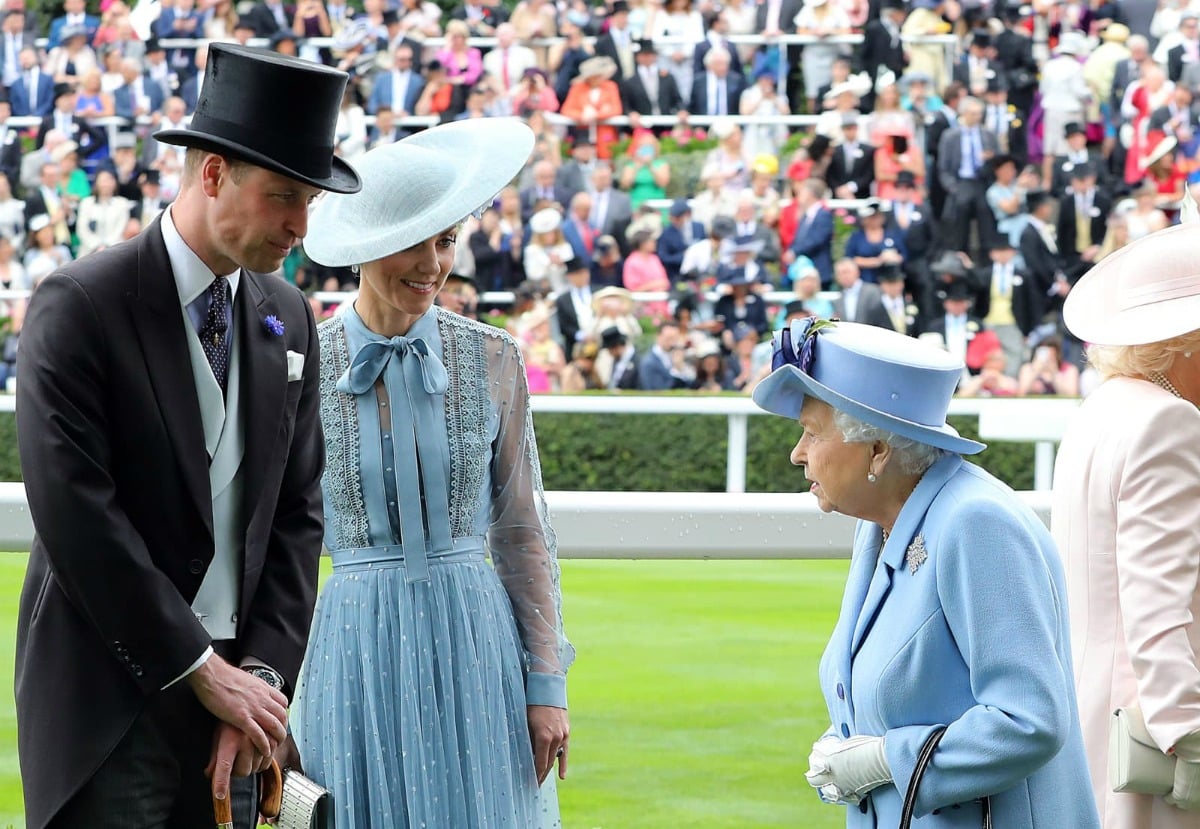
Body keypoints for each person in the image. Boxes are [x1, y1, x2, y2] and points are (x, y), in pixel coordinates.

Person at [14, 40, 358, 829]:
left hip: (234, 722)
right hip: (108, 707)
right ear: (212, 174)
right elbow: (75, 514)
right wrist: (198, 667)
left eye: (311, 201)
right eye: (283, 197)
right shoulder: (81, 305)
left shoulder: (290, 315)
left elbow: (297, 517)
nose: (301, 226)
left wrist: (258, 683)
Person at [296, 118, 572, 827]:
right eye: (412, 241)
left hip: (476, 644)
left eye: (446, 239)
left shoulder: (493, 358)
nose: (432, 263)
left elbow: (521, 532)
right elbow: (273, 542)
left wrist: (546, 684)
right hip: (353, 647)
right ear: (365, 244)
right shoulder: (301, 364)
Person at [752, 317, 1100, 828]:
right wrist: (844, 742)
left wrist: (886, 759)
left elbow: (1029, 721)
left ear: (877, 450)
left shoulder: (976, 522)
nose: (797, 454)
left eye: (810, 431)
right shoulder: (882, 522)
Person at [1053, 224, 1200, 826]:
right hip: (1148, 749)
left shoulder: (1104, 408)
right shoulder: (1169, 422)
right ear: (1188, 340)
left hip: (1091, 718)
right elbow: (1155, 605)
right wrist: (1188, 733)